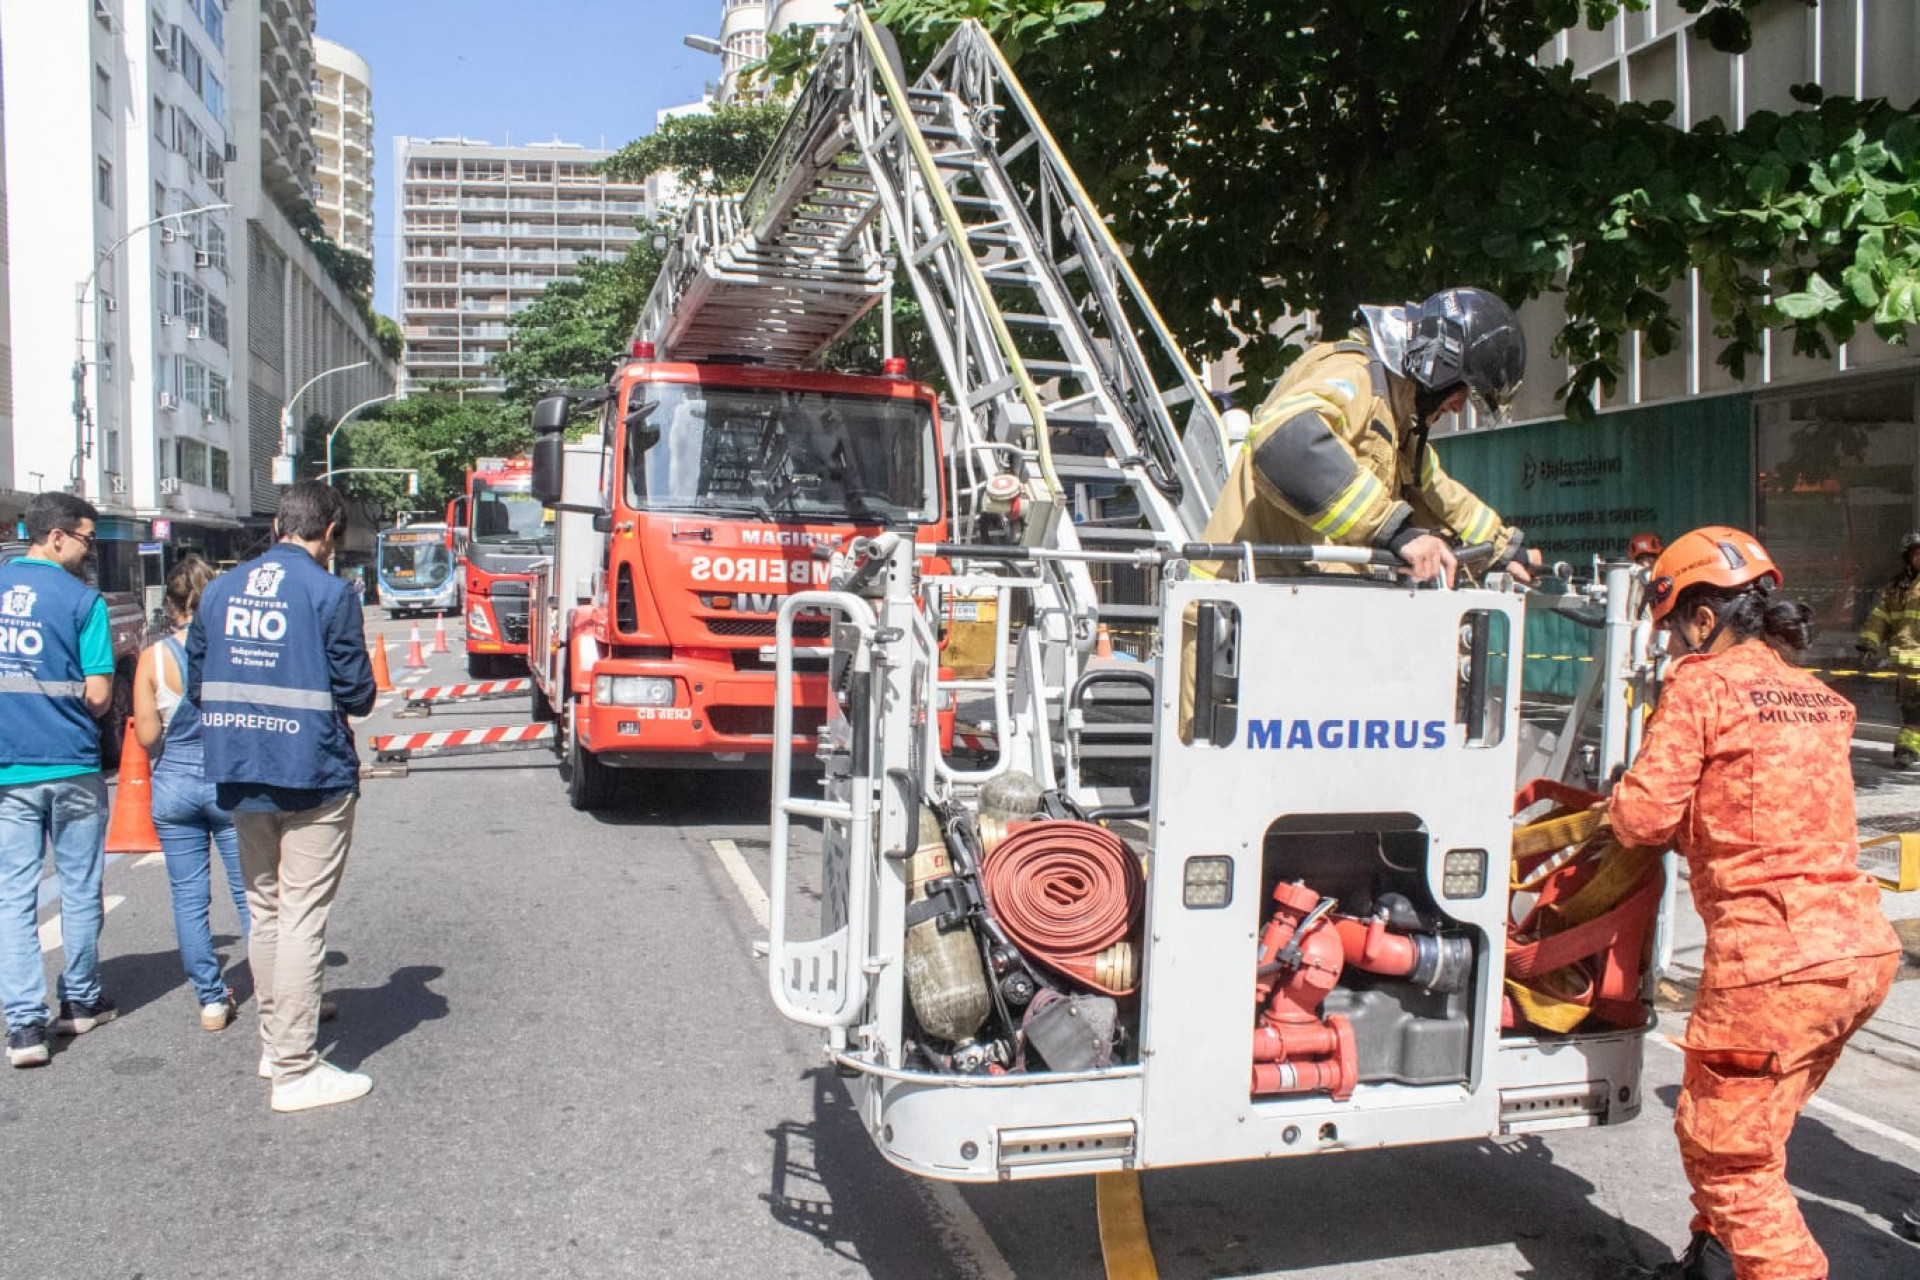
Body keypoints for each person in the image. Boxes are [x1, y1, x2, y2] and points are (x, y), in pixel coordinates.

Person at [1612, 526, 1900, 1280]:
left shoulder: (1703, 686)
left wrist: (1620, 791)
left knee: (1728, 1157)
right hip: (1857, 954)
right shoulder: (1820, 699)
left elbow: (1642, 819)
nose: (1673, 646)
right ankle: (1709, 1267)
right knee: (1753, 1128)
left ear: (1702, 620)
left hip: (1769, 965)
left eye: (1675, 630)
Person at [188, 481, 377, 1112]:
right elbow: (358, 695)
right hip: (313, 776)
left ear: (275, 527)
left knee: (266, 911)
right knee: (301, 916)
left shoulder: (217, 591)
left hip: (240, 770)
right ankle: (297, 1069)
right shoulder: (330, 593)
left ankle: (275, 1046)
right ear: (328, 534)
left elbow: (197, 683)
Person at [1195, 287, 1540, 587]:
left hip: (1288, 610)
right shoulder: (1354, 372)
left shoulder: (1397, 418)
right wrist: (1396, 532)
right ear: (1442, 366)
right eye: (1466, 392)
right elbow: (1286, 441)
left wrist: (1501, 550)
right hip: (1238, 618)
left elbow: (1437, 493)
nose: (1459, 406)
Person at [0, 492, 118, 1068]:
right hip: (71, 763)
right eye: (87, 539)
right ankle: (79, 1000)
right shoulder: (82, 601)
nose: (90, 551)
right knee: (78, 887)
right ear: (56, 537)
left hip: (8, 769)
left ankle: (24, 1027)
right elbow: (98, 694)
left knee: (12, 898)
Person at [134, 554, 249, 1032]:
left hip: (174, 787)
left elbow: (145, 736)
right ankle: (276, 985)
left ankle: (211, 999)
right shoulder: (230, 649)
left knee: (188, 898)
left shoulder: (153, 658)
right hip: (226, 783)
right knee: (252, 894)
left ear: (172, 604)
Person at [1855, 531, 1920, 768]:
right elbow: (1880, 618)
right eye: (1917, 553)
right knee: (1911, 706)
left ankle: (1909, 747)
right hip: (1907, 659)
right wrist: (1869, 642)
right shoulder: (1897, 587)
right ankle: (1909, 747)